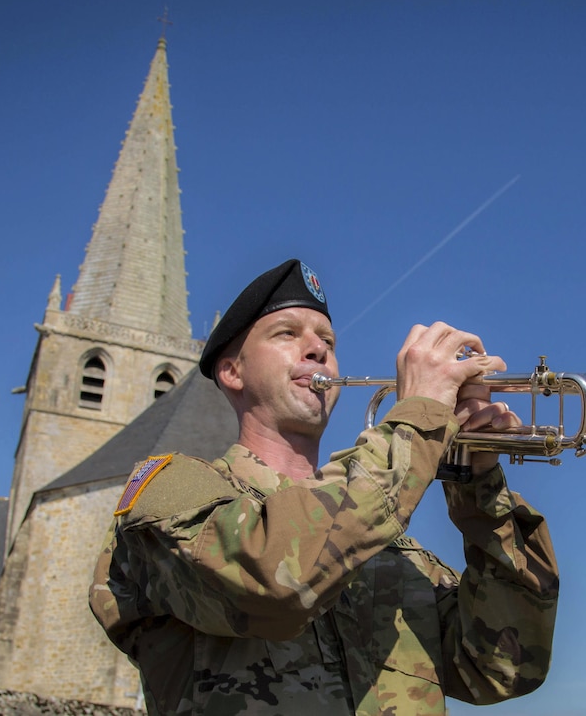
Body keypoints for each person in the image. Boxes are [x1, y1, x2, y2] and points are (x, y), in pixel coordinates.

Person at [90, 259, 559, 715]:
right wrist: (418, 418)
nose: (318, 350)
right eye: (287, 333)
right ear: (232, 371)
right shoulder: (170, 494)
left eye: (327, 340)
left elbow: (502, 668)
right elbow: (277, 579)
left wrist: (476, 483)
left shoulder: (389, 547)